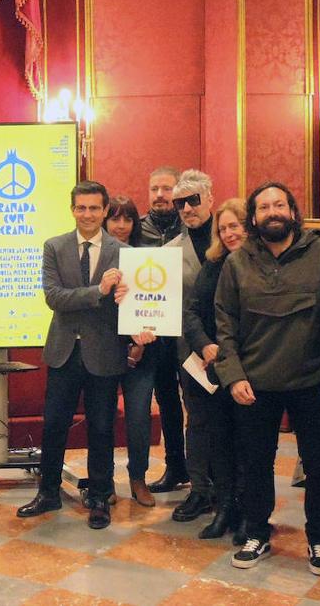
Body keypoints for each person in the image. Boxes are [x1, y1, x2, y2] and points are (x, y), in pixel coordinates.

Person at [214, 182, 320, 574]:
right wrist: (233, 375)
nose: (272, 212)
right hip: (255, 383)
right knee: (256, 464)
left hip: (315, 380)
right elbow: (225, 324)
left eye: (279, 204)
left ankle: (319, 540)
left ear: (292, 210)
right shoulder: (237, 263)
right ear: (253, 218)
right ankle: (257, 533)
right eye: (264, 207)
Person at [18, 181, 130, 530]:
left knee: (101, 428)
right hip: (64, 351)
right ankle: (48, 492)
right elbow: (55, 298)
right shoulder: (54, 247)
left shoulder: (124, 252)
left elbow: (130, 305)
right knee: (53, 425)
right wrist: (100, 290)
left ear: (105, 210)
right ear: (72, 210)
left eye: (94, 208)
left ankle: (99, 497)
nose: (87, 214)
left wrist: (125, 297)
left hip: (105, 352)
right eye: (81, 208)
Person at [181, 198, 248, 542]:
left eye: (235, 225)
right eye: (223, 228)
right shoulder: (213, 263)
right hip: (210, 365)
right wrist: (204, 344)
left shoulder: (260, 263)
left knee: (246, 442)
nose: (229, 233)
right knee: (218, 439)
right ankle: (224, 508)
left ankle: (248, 513)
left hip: (248, 368)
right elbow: (191, 311)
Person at [165, 169, 218, 524]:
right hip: (192, 351)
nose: (186, 208)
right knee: (197, 420)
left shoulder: (233, 239)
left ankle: (233, 491)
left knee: (236, 422)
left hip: (237, 347)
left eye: (193, 200)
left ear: (210, 199)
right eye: (179, 203)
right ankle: (200, 489)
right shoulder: (169, 251)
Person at [138, 166, 189, 496]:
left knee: (198, 404)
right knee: (167, 399)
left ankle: (206, 470)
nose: (160, 194)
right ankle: (175, 466)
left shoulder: (192, 226)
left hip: (189, 329)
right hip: (154, 331)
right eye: (154, 188)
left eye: (166, 188)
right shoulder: (136, 230)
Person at [103, 195, 155, 506]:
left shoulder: (150, 258)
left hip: (145, 354)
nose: (121, 226)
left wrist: (143, 340)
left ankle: (138, 478)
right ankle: (104, 479)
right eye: (115, 219)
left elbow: (160, 305)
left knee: (138, 418)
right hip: (105, 351)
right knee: (103, 418)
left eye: (128, 219)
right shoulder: (97, 257)